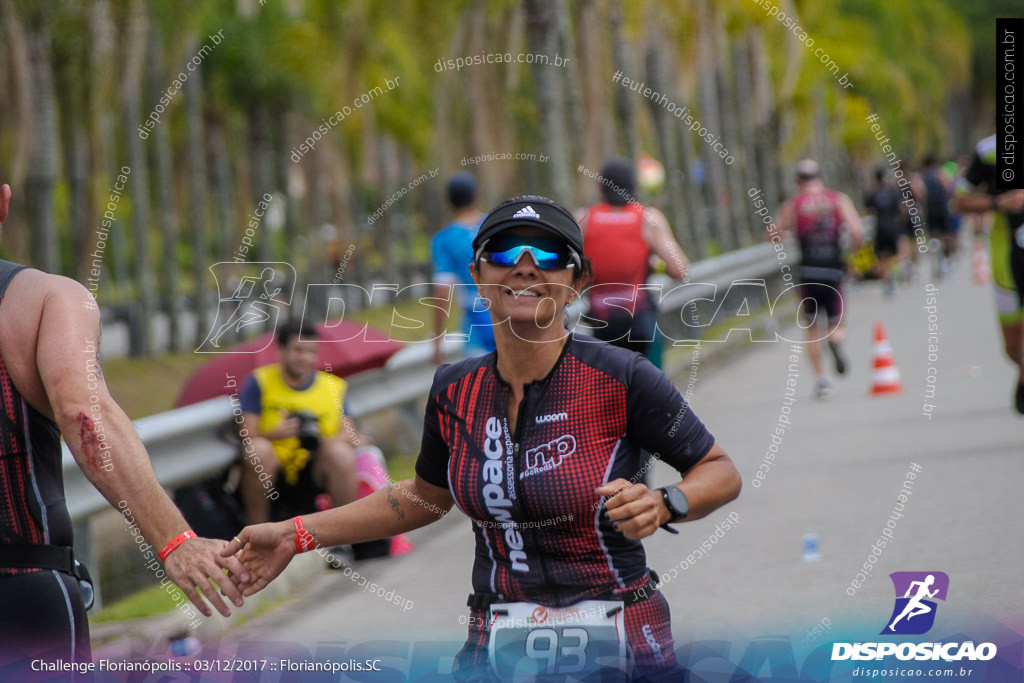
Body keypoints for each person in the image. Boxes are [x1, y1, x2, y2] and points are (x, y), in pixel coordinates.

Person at [223, 195, 741, 681]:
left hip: (622, 625)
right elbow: (425, 497)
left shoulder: (621, 377)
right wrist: (296, 533)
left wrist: (665, 502)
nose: (524, 264)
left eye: (549, 253)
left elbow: (719, 470)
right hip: (496, 637)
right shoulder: (454, 390)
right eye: (502, 251)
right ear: (476, 276)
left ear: (577, 280)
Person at [0, 183, 248, 666]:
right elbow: (84, 414)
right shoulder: (43, 300)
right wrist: (175, 540)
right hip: (22, 588)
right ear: (4, 202)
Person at [238, 320, 359, 524]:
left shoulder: (334, 386)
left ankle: (343, 537)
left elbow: (349, 433)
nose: (305, 358)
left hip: (316, 466)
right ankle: (258, 532)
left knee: (340, 453)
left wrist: (321, 439)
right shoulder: (259, 382)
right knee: (257, 449)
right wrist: (276, 433)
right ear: (281, 350)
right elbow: (246, 433)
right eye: (298, 350)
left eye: (311, 351)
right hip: (275, 468)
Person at [575, 157, 689, 360]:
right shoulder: (647, 218)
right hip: (640, 321)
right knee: (651, 387)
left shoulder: (584, 219)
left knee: (609, 387)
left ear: (601, 188)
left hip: (602, 325)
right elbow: (680, 270)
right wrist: (655, 265)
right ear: (635, 185)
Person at [776, 160, 864, 399]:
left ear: (797, 182)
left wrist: (791, 234)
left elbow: (772, 233)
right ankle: (836, 341)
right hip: (833, 271)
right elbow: (857, 231)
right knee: (836, 323)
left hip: (808, 274)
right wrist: (853, 254)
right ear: (820, 178)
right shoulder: (837, 200)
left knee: (812, 328)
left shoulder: (794, 204)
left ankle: (822, 380)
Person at [953, 135, 1024, 413]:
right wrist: (999, 203)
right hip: (1005, 254)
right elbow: (959, 200)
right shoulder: (988, 151)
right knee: (1012, 347)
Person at [431, 172, 496, 364]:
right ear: (477, 196)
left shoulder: (444, 240)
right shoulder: (495, 226)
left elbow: (443, 290)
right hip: (510, 317)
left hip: (476, 324)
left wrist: (437, 341)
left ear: (447, 201)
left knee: (483, 389)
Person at [864, 166, 904, 296]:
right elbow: (901, 209)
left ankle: (886, 282)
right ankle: (892, 277)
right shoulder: (893, 192)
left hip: (879, 227)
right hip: (891, 226)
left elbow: (868, 212)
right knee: (894, 255)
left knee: (881, 257)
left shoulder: (872, 193)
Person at [921, 154, 955, 277]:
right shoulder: (940, 173)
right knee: (946, 235)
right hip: (942, 209)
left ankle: (936, 262)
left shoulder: (923, 176)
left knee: (933, 236)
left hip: (930, 210)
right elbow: (948, 188)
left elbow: (921, 193)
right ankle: (947, 260)